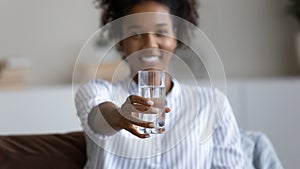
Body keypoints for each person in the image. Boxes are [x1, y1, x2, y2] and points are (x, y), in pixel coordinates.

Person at [75, 0, 245, 168]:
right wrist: (119, 117)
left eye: (161, 32)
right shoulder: (96, 90)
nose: (150, 45)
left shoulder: (213, 103)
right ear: (121, 41)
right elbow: (98, 119)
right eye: (136, 34)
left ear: (175, 37)